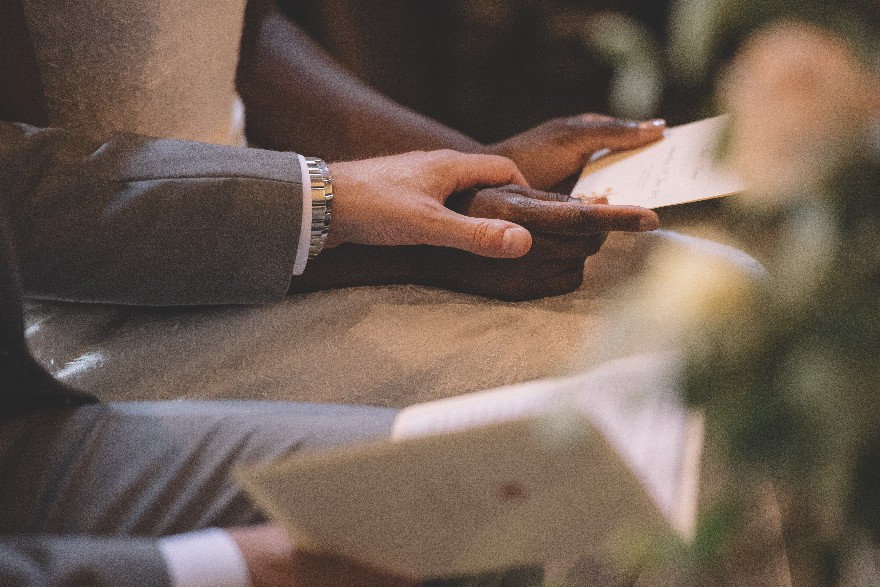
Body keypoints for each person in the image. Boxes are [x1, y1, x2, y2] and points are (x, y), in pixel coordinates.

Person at [0, 1, 664, 585]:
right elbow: (36, 204)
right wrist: (362, 222)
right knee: (603, 414)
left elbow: (242, 29)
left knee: (685, 293)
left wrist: (475, 168)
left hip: (268, 203)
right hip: (119, 298)